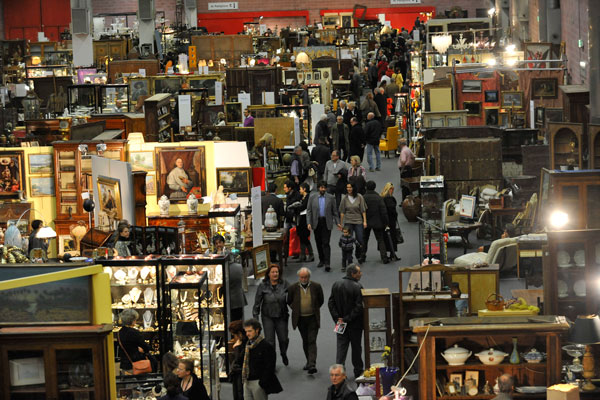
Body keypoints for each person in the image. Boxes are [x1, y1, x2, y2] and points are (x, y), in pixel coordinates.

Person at [328, 264, 364, 378]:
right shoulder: (358, 287)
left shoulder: (336, 284)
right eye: (359, 272)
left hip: (340, 324)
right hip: (355, 324)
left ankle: (339, 373)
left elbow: (331, 303)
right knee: (356, 348)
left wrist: (337, 318)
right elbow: (359, 307)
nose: (361, 274)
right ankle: (358, 371)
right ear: (353, 274)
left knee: (341, 349)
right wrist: (347, 319)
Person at [287, 267, 324, 374]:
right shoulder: (293, 288)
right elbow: (289, 301)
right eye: (302, 277)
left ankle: (312, 364)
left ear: (309, 277)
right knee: (305, 340)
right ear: (299, 277)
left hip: (313, 318)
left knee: (312, 340)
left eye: (306, 277)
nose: (304, 279)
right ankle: (308, 361)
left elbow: (320, 300)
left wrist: (313, 308)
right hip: (300, 319)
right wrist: (296, 309)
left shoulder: (316, 286)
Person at [252, 264, 290, 366]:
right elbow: (257, 303)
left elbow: (293, 296)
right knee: (270, 342)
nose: (275, 274)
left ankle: (283, 353)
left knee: (284, 339)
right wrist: (255, 320)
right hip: (267, 316)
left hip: (281, 316)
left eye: (277, 272)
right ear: (268, 274)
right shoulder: (262, 285)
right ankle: (271, 363)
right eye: (273, 272)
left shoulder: (285, 283)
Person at [242, 318, 283, 399]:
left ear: (257, 330)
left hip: (258, 382)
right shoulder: (247, 345)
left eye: (250, 331)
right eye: (246, 331)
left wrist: (262, 383)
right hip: (246, 382)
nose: (247, 334)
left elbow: (270, 366)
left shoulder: (266, 346)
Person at [307, 181, 341, 272]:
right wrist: (309, 223)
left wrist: (338, 222)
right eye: (321, 187)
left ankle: (327, 263)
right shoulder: (312, 197)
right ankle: (321, 260)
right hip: (316, 222)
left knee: (326, 243)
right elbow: (309, 211)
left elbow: (335, 211)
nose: (323, 189)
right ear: (318, 188)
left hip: (326, 222)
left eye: (324, 188)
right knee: (318, 242)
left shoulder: (331, 198)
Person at [117, 309, 157, 373]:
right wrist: (141, 349)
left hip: (124, 364)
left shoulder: (120, 332)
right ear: (132, 320)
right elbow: (146, 347)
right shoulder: (134, 333)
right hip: (137, 364)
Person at [363, 181, 391, 264]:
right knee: (380, 240)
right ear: (374, 187)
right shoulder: (378, 198)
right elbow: (383, 212)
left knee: (365, 239)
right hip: (377, 222)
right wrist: (386, 223)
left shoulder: (363, 197)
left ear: (366, 187)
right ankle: (384, 257)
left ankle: (362, 256)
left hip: (366, 222)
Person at [339, 183, 367, 263]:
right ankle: (349, 257)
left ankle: (358, 254)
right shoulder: (344, 198)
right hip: (348, 221)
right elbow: (342, 212)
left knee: (360, 239)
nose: (348, 189)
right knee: (348, 240)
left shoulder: (359, 197)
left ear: (354, 188)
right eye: (347, 187)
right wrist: (341, 223)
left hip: (358, 221)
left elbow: (363, 210)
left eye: (350, 187)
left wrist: (365, 221)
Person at [381, 183, 400, 261]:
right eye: (391, 189)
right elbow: (391, 210)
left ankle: (389, 254)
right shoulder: (389, 198)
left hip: (385, 221)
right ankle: (392, 253)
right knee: (392, 238)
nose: (392, 190)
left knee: (386, 238)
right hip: (390, 221)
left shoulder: (382, 197)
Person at [228, 320, 248, 400]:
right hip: (239, 372)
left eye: (234, 335)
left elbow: (238, 359)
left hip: (241, 373)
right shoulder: (244, 342)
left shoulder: (243, 345)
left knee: (240, 394)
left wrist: (236, 347)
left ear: (239, 334)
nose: (234, 338)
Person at [297, 183, 315, 262]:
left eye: (300, 189)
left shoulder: (308, 197)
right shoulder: (301, 197)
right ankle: (302, 255)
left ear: (304, 189)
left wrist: (297, 207)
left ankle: (311, 254)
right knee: (301, 236)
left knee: (304, 236)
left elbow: (303, 207)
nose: (299, 190)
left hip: (305, 218)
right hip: (300, 217)